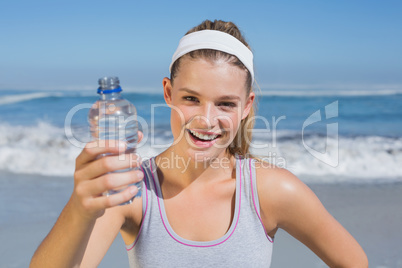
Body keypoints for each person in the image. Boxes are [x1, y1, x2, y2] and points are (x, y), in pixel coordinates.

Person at [30, 19, 368, 267]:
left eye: (225, 103)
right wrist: (80, 206)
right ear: (167, 93)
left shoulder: (270, 191)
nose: (206, 119)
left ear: (246, 106)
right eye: (191, 98)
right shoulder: (133, 191)